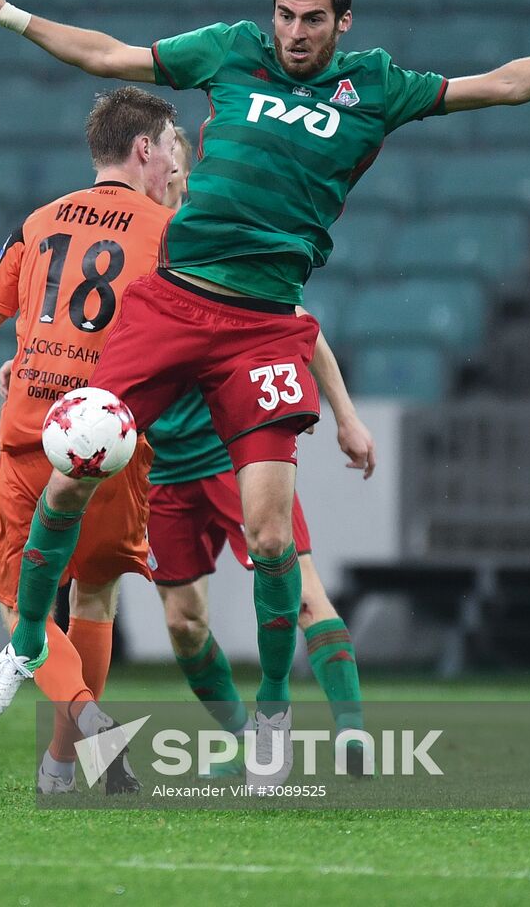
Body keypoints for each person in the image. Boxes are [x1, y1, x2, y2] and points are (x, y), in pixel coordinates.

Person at [0, 0, 530, 785]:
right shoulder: (229, 50)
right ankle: (21, 649)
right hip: (173, 303)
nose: (295, 34)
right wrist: (11, 15)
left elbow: (505, 83)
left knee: (270, 537)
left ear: (343, 23)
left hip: (264, 326)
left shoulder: (375, 87)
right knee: (70, 465)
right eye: (285, 16)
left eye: (313, 20)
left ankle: (269, 710)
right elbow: (110, 56)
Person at [0, 85, 178, 794]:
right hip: (117, 437)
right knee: (96, 596)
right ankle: (59, 768)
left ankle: (86, 721)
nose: (174, 160)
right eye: (171, 145)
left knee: (22, 605)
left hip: (35, 432)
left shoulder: (40, 220)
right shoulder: (171, 231)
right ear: (144, 149)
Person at [148, 136, 374, 775]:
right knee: (183, 624)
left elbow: (295, 320)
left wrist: (346, 417)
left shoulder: (208, 240)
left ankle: (352, 733)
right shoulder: (126, 249)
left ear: (185, 174)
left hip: (232, 453)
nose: (166, 167)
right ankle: (252, 742)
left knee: (300, 588)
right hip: (160, 469)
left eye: (175, 155)